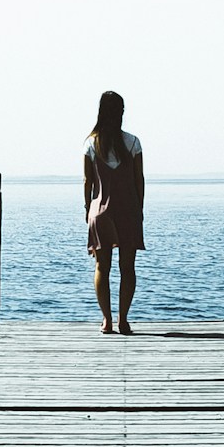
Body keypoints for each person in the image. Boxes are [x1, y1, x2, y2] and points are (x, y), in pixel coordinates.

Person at [83, 89, 145, 334]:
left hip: (99, 212)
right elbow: (138, 179)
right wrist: (139, 208)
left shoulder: (90, 143)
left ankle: (106, 320)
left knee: (102, 267)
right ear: (121, 112)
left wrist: (88, 209)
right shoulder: (133, 142)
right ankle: (124, 320)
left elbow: (88, 182)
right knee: (127, 267)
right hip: (128, 209)